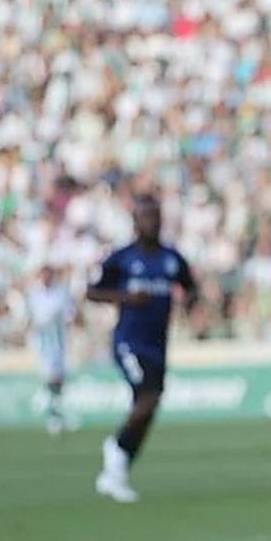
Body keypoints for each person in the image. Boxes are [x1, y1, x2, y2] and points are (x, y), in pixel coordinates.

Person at [86, 194, 199, 503]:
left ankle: (118, 468)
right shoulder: (121, 258)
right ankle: (115, 451)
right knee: (146, 402)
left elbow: (191, 287)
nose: (154, 222)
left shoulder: (171, 258)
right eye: (147, 216)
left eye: (157, 216)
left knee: (149, 409)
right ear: (135, 222)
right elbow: (92, 291)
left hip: (158, 346)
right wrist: (125, 297)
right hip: (129, 342)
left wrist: (188, 300)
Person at [27, 264, 80, 435]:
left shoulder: (61, 292)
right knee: (50, 377)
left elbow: (69, 314)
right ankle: (54, 416)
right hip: (43, 342)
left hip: (60, 341)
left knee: (60, 379)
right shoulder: (34, 295)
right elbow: (33, 318)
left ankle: (57, 412)